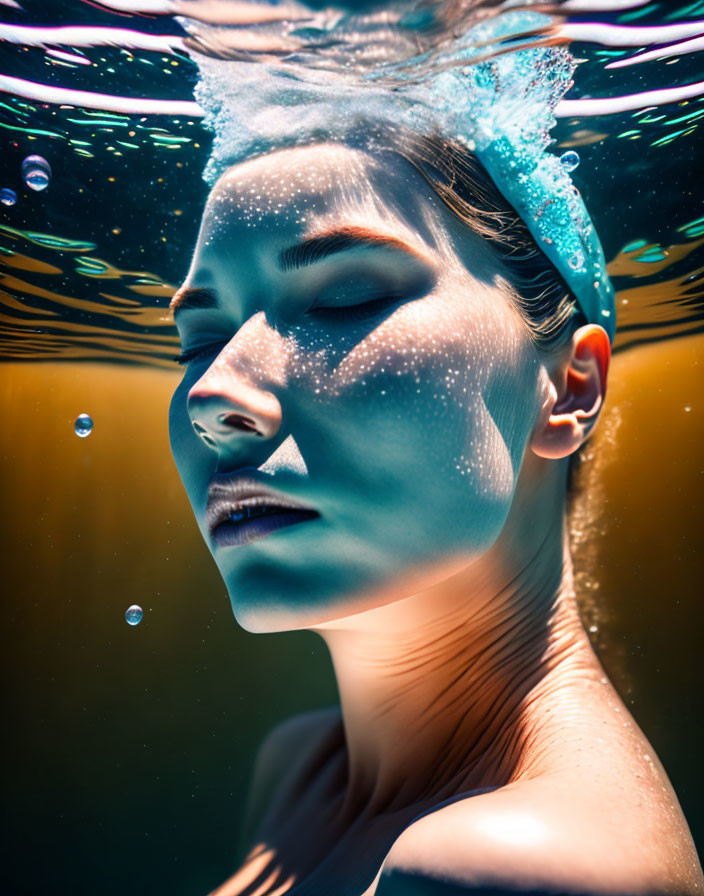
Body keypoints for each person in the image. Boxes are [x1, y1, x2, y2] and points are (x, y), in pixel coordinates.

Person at [166, 126, 703, 895]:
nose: (212, 395)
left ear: (570, 387)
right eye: (199, 340)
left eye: (347, 298)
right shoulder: (299, 774)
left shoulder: (516, 872)